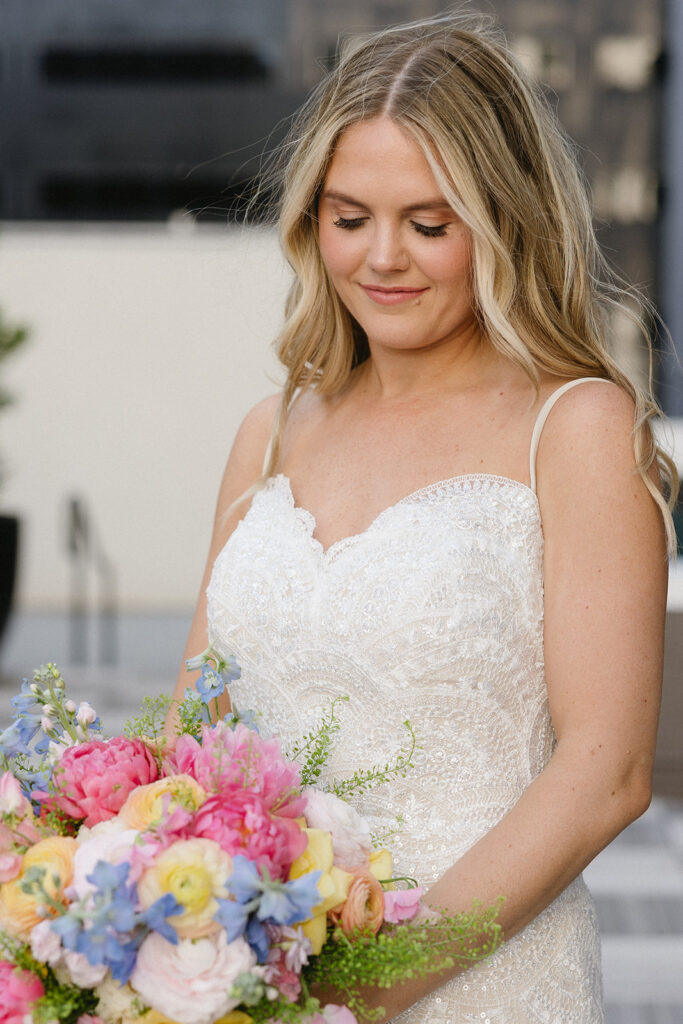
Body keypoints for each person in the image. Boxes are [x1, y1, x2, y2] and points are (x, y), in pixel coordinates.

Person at [171, 11, 677, 1023]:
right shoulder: (268, 432)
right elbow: (198, 730)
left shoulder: (574, 427)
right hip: (257, 982)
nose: (382, 257)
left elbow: (605, 774)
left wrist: (358, 993)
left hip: (477, 983)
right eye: (348, 216)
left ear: (503, 218)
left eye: (429, 223)